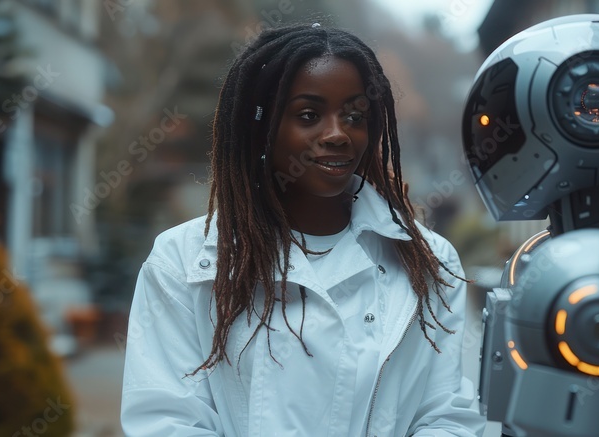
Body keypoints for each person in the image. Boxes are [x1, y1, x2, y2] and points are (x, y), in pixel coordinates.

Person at [120, 23, 486, 437]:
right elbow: (167, 422)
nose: (337, 134)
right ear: (262, 127)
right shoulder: (182, 263)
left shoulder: (429, 262)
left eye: (354, 116)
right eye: (308, 115)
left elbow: (447, 416)